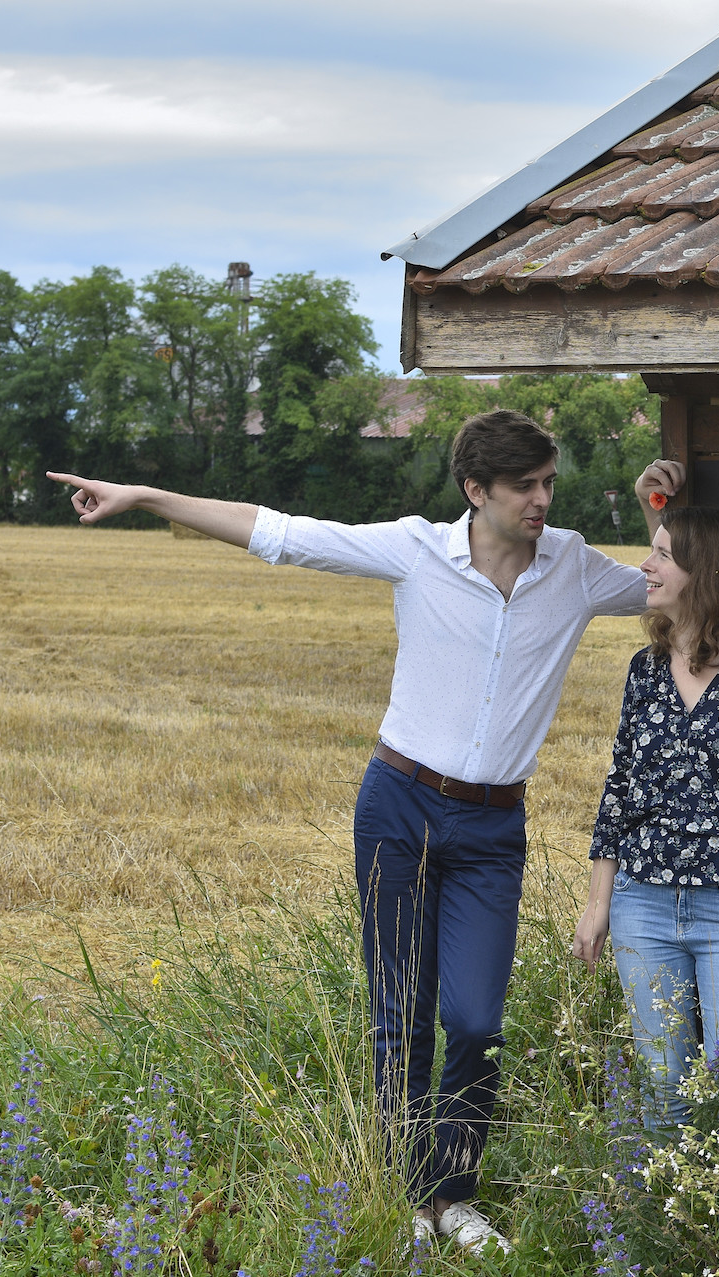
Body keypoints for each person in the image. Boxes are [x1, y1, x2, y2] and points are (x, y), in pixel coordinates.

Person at [47, 411, 681, 1255]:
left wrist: (658, 511)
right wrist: (144, 495)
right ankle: (406, 1200)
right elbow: (277, 533)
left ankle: (452, 1195)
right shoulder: (415, 549)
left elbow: (668, 583)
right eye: (525, 486)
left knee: (476, 1019)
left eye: (548, 483)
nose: (542, 499)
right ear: (476, 491)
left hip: (494, 825)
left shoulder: (570, 565)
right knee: (400, 1015)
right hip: (399, 806)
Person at [573, 505, 719, 1127]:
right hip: (643, 905)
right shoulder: (644, 670)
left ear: (704, 570)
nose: (646, 567)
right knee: (664, 1091)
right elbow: (620, 787)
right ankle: (665, 1225)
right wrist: (599, 902)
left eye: (661, 555)